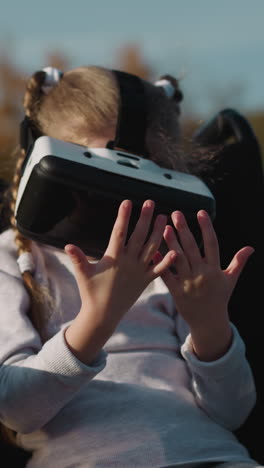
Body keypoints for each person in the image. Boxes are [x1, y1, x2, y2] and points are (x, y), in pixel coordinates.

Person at [0, 65, 261, 468]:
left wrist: (211, 327)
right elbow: (15, 409)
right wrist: (98, 320)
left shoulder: (171, 258)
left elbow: (232, 413)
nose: (120, 203)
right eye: (96, 176)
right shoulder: (15, 257)